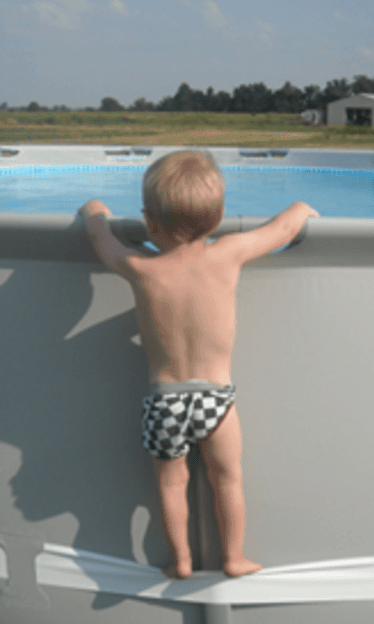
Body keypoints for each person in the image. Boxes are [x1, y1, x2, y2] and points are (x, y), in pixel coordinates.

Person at [79, 150, 317, 579]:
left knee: (171, 485)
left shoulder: (141, 269)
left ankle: (181, 560)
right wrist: (301, 208)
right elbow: (281, 230)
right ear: (220, 216)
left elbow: (103, 241)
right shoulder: (229, 253)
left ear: (150, 223)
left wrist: (95, 213)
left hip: (163, 401)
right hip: (216, 400)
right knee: (227, 479)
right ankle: (234, 557)